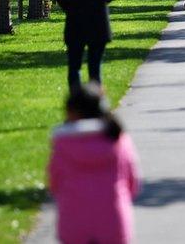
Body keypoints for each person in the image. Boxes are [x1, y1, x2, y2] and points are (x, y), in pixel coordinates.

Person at [48, 83, 139, 244]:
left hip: (74, 223)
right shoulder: (117, 139)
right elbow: (131, 181)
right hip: (113, 220)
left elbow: (55, 182)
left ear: (71, 113)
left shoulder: (63, 144)